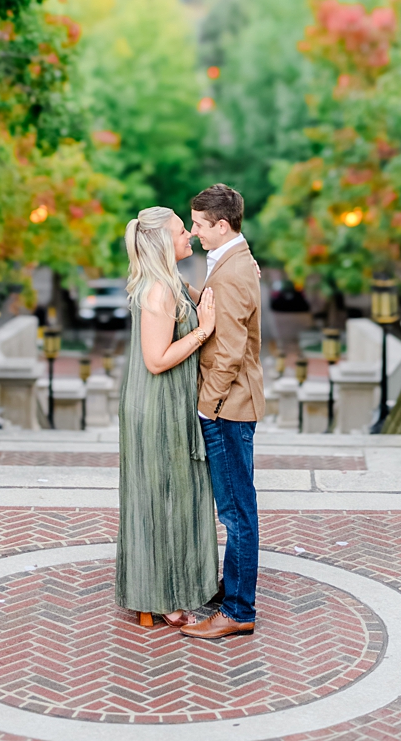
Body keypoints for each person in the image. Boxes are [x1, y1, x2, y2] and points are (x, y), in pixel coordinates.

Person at [114, 207, 220, 629]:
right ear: (163, 242)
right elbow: (156, 361)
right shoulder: (158, 292)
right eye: (181, 232)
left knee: (178, 494)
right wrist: (203, 331)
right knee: (162, 500)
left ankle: (178, 584)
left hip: (172, 404)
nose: (189, 236)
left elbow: (207, 295)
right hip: (155, 407)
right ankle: (158, 596)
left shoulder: (173, 283)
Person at [179, 182, 266, 640]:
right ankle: (231, 591)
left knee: (236, 512)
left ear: (222, 225)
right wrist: (186, 291)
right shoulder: (232, 262)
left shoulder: (232, 272)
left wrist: (206, 409)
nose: (194, 234)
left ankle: (237, 611)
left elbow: (229, 351)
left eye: (198, 225)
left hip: (227, 408)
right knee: (236, 507)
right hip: (230, 405)